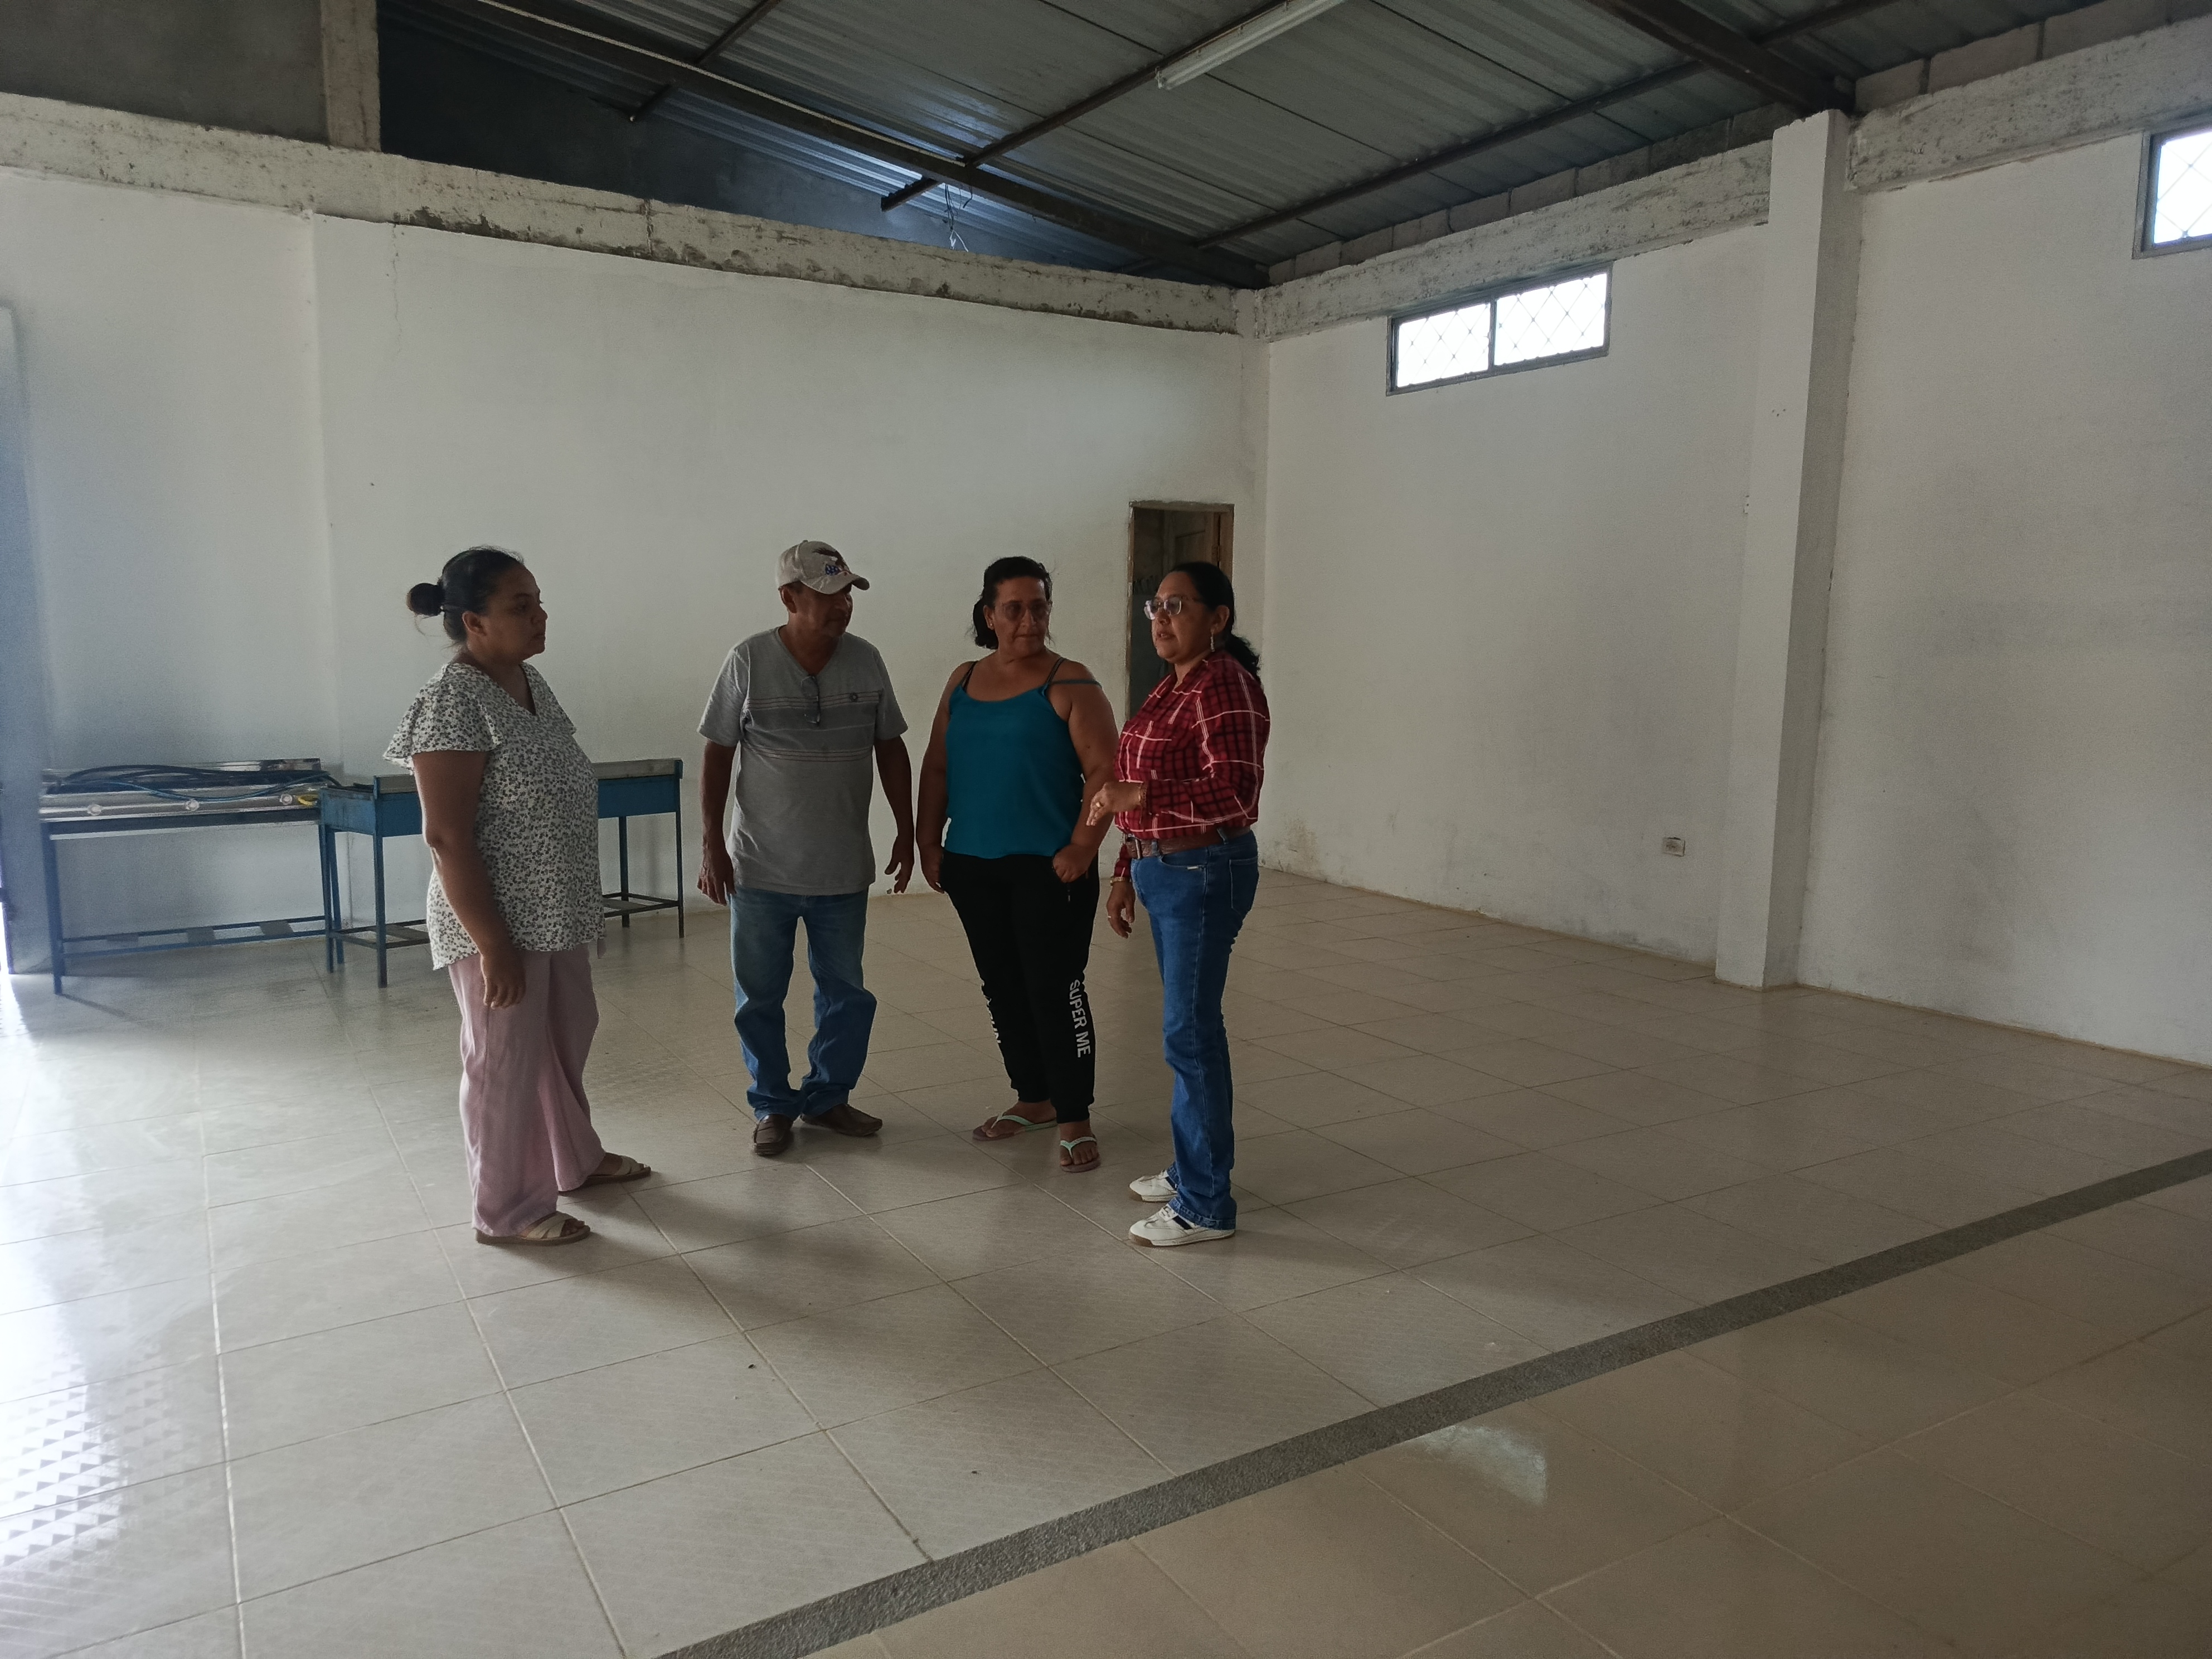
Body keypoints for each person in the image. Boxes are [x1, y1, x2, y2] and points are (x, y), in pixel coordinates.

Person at [389, 547, 649, 1248]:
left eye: (538, 601)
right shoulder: (452, 701)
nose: (540, 616)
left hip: (557, 911)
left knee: (564, 1041)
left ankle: (574, 1159)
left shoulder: (528, 682)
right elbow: (445, 835)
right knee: (503, 1063)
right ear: (473, 622)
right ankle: (506, 1208)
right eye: (521, 606)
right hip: (498, 922)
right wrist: (493, 946)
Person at [698, 541, 915, 1156]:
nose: (842, 606)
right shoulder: (748, 660)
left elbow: (890, 746)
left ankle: (827, 1098)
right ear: (789, 598)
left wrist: (905, 828)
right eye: (828, 594)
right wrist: (712, 845)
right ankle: (772, 1104)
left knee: (846, 993)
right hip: (760, 868)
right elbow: (717, 752)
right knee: (759, 997)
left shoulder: (866, 661)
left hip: (841, 868)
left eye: (846, 593)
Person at [917, 558, 1120, 1172]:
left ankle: (1074, 1114)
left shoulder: (1070, 681)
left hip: (1048, 869)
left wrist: (1083, 847)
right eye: (1014, 608)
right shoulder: (962, 681)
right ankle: (1033, 1097)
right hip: (972, 864)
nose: (1029, 620)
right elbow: (937, 766)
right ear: (989, 615)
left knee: (1055, 987)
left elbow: (1104, 773)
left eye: (1039, 607)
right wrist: (929, 842)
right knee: (1002, 986)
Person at [1088, 561, 1270, 1247]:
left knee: (1188, 1033)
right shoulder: (1174, 685)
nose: (1160, 618)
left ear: (1217, 617)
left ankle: (1205, 1204)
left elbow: (1236, 793)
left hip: (1203, 869)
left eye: (1176, 605)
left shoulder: (1225, 685)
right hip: (1164, 867)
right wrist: (1124, 870)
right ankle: (1194, 1165)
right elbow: (1133, 780)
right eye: (1154, 607)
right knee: (1189, 1030)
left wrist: (1140, 798)